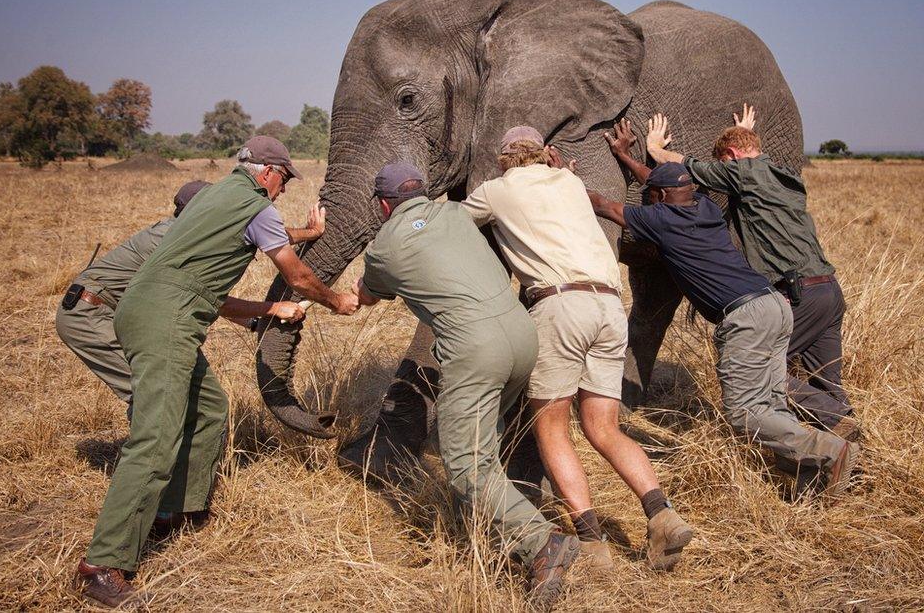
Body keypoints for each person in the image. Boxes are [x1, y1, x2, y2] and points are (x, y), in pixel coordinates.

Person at [76, 136, 360, 608]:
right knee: (156, 438)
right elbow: (297, 277)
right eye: (285, 178)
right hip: (167, 318)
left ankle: (179, 509)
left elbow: (269, 231)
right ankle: (102, 564)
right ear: (268, 171)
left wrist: (308, 235)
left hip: (149, 307)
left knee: (209, 407)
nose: (285, 188)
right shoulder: (253, 204)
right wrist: (336, 301)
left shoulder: (216, 194)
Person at [460, 126, 693, 572]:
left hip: (559, 305)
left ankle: (591, 543)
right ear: (543, 154)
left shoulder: (496, 190)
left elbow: (457, 224)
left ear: (505, 158)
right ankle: (662, 514)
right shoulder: (568, 180)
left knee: (551, 428)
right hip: (609, 305)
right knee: (604, 428)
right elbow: (564, 180)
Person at [353, 162, 577, 611]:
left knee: (463, 462)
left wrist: (348, 294)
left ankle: (541, 543)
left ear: (382, 204)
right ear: (422, 190)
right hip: (521, 334)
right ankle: (479, 537)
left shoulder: (385, 246)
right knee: (484, 443)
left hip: (475, 348)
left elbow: (368, 292)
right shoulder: (455, 213)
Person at [588, 161, 860, 500]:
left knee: (743, 411)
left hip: (745, 315)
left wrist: (560, 177)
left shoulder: (661, 219)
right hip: (775, 304)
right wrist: (628, 157)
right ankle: (810, 474)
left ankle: (830, 450)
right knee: (772, 403)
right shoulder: (704, 207)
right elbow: (664, 186)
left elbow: (603, 205)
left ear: (659, 196)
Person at [637, 107, 857, 440]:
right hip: (829, 292)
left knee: (762, 373)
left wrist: (656, 150)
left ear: (732, 157)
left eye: (726, 162)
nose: (725, 170)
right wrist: (742, 133)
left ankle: (832, 422)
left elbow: (693, 167)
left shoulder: (743, 172)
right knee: (827, 383)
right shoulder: (785, 176)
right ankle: (851, 456)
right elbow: (749, 160)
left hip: (799, 293)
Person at [56, 180, 322, 414]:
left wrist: (309, 233)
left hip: (108, 309)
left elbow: (206, 295)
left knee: (166, 394)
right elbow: (209, 298)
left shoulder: (185, 236)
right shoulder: (171, 243)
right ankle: (149, 462)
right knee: (153, 395)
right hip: (90, 313)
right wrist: (273, 308)